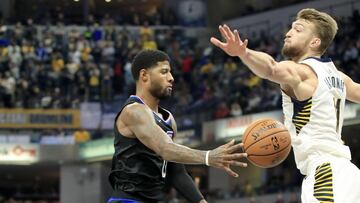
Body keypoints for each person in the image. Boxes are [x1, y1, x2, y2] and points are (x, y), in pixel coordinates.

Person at [210, 8, 360, 203]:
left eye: (298, 30)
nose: (288, 33)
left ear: (315, 42)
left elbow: (271, 67)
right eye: (290, 28)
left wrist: (244, 52)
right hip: (344, 171)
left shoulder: (302, 72)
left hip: (326, 172)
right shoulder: (338, 77)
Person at [108, 49, 248, 203]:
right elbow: (165, 149)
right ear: (144, 75)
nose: (171, 78)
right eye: (164, 72)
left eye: (171, 73)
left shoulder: (168, 119)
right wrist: (208, 156)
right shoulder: (134, 111)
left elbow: (177, 173)